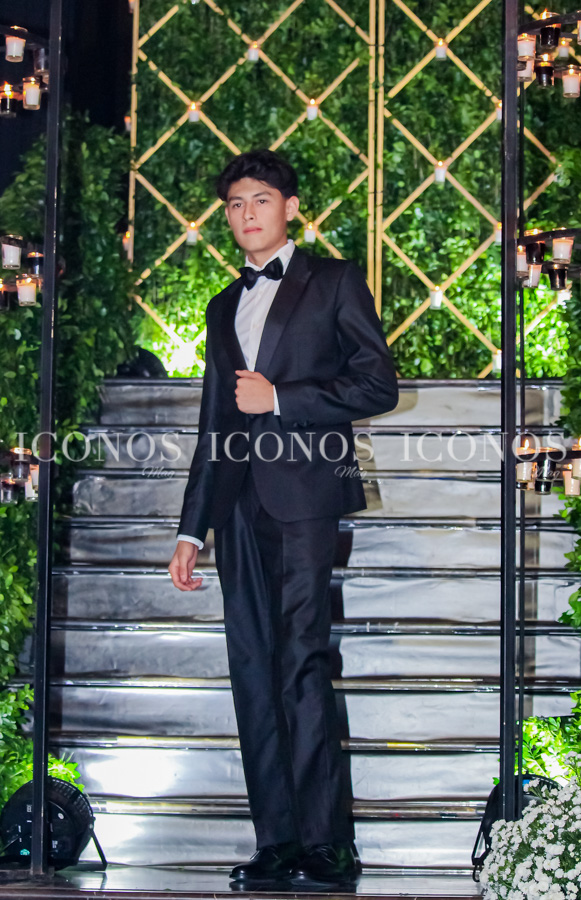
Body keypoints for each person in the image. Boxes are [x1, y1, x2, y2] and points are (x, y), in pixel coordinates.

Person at [168, 149, 399, 886]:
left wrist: (283, 399)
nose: (247, 214)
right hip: (237, 506)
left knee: (301, 661)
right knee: (252, 669)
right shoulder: (220, 305)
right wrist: (191, 527)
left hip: (306, 498)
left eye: (260, 200)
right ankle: (276, 842)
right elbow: (214, 421)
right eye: (235, 204)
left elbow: (378, 385)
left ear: (290, 208)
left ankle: (327, 843)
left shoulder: (333, 281)